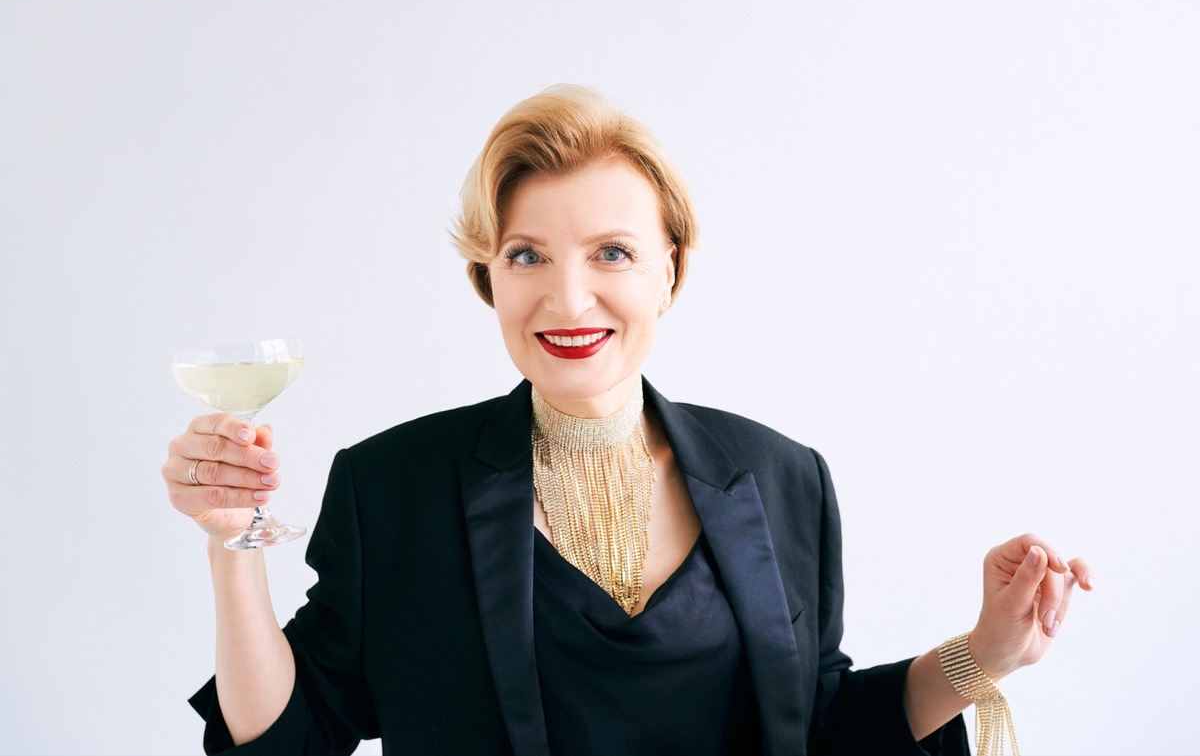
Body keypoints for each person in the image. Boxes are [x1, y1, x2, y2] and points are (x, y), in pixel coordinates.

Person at [163, 85, 1092, 756]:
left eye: (613, 251)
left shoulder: (782, 477)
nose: (569, 297)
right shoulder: (391, 486)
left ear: (670, 271)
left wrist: (985, 654)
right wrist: (229, 547)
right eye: (527, 255)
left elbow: (816, 725)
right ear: (490, 279)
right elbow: (286, 736)